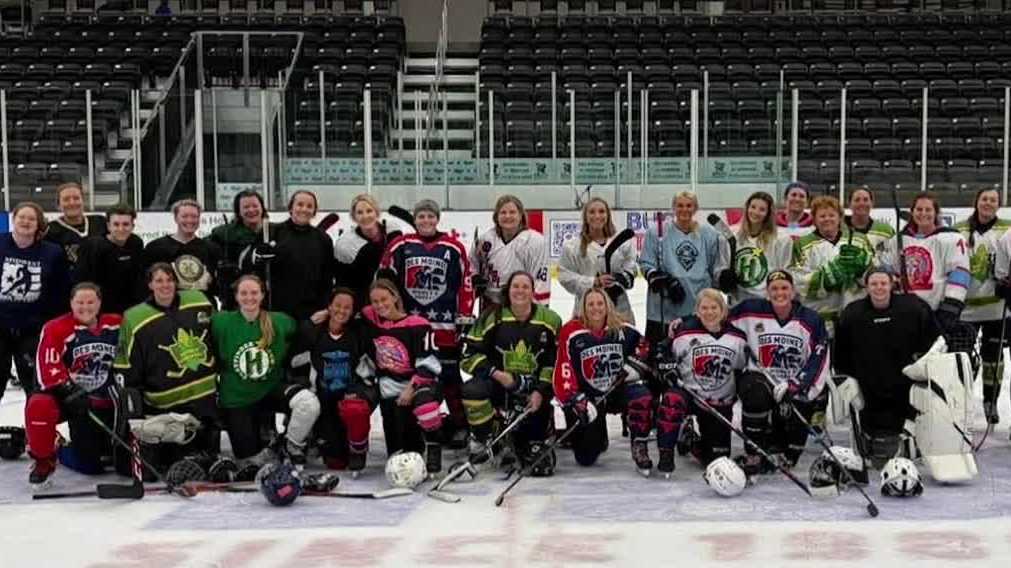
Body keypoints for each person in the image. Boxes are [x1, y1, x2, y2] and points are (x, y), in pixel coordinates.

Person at [379, 199, 474, 448]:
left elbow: (465, 283)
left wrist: (463, 317)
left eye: (430, 216)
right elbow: (385, 280)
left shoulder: (453, 247)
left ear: (437, 219)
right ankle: (419, 425)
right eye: (421, 216)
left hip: (444, 327)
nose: (426, 221)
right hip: (411, 328)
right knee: (417, 378)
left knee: (451, 377)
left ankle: (460, 423)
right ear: (415, 218)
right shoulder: (401, 245)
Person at [113, 263, 219, 474]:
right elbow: (125, 364)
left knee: (203, 460)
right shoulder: (135, 317)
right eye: (159, 280)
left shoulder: (199, 301)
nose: (165, 285)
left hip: (203, 401)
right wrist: (132, 405)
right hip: (164, 408)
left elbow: (218, 338)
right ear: (150, 284)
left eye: (169, 280)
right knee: (160, 465)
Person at [728, 270, 831, 474]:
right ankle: (754, 452)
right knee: (754, 392)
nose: (779, 293)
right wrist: (685, 323)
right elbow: (715, 317)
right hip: (762, 377)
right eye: (774, 288)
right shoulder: (750, 310)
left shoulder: (810, 319)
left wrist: (795, 385)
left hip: (794, 382)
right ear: (767, 292)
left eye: (784, 288)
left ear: (793, 291)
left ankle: (786, 449)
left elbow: (819, 357)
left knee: (790, 444)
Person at [210, 275, 318, 468]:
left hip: (271, 390)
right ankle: (266, 444)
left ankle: (289, 445)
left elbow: (304, 333)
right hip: (237, 398)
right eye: (243, 293)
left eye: (254, 293)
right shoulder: (221, 322)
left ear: (262, 295)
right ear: (236, 296)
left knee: (308, 404)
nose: (249, 298)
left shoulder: (280, 321)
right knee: (249, 462)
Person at [835, 267, 939, 466]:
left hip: (904, 384)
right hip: (868, 385)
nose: (879, 288)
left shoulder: (914, 308)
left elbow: (934, 343)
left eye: (883, 283)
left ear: (892, 284)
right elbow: (841, 354)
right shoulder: (852, 313)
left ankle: (910, 440)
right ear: (866, 286)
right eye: (874, 284)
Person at [460, 271, 562, 474]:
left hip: (532, 392)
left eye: (526, 286)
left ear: (534, 291)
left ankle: (539, 427)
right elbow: (467, 356)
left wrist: (540, 392)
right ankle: (483, 438)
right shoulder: (492, 316)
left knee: (532, 454)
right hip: (499, 385)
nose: (520, 291)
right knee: (472, 390)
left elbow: (554, 362)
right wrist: (497, 374)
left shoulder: (550, 320)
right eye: (516, 286)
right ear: (508, 290)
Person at [25, 283, 122, 488]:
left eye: (90, 302)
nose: (85, 307)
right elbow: (47, 367)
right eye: (79, 302)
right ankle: (47, 457)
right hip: (73, 401)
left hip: (109, 400)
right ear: (71, 303)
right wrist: (68, 389)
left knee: (107, 461)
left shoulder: (116, 324)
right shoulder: (56, 327)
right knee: (39, 405)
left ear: (99, 303)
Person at [554, 288, 654, 474]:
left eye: (600, 303)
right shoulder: (571, 331)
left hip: (616, 391)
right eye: (590, 304)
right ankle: (595, 435)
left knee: (642, 396)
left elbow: (644, 349)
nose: (596, 308)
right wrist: (577, 400)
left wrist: (634, 367)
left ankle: (639, 444)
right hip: (588, 397)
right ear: (583, 307)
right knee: (586, 457)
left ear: (607, 305)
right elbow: (563, 369)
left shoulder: (622, 329)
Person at [361, 279, 445, 474]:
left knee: (426, 407)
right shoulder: (373, 322)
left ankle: (434, 444)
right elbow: (353, 310)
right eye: (375, 301)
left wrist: (411, 388)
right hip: (390, 388)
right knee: (402, 452)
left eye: (384, 299)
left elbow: (429, 365)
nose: (380, 305)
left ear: (395, 297)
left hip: (420, 385)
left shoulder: (419, 324)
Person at [293, 287, 379, 472]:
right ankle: (313, 439)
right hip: (325, 399)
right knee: (336, 463)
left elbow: (371, 371)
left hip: (350, 396)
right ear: (329, 307)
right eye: (337, 305)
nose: (341, 310)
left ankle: (358, 448)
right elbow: (295, 363)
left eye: (347, 307)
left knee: (355, 408)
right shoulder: (313, 332)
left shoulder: (359, 333)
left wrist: (357, 390)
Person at [662, 289, 748, 472]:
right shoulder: (684, 333)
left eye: (714, 307)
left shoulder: (737, 338)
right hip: (691, 396)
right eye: (704, 308)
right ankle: (666, 451)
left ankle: (690, 439)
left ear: (723, 309)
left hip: (719, 403)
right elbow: (664, 355)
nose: (709, 312)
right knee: (672, 399)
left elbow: (742, 369)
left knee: (716, 459)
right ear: (697, 311)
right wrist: (666, 366)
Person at [0, 202, 70, 400]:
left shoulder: (52, 252)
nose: (26, 222)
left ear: (38, 224)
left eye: (31, 219)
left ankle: (35, 429)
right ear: (14, 220)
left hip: (32, 331)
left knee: (36, 387)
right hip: (1, 327)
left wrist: (50, 326)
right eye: (22, 217)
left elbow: (60, 292)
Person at [954, 189, 1011, 424]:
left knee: (993, 359)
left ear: (999, 205)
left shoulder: (1006, 229)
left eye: (993, 200)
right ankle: (961, 403)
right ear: (976, 202)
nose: (988, 203)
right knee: (963, 358)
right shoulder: (959, 229)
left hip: (997, 308)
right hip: (965, 309)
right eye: (984, 199)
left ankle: (991, 401)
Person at [639, 191, 721, 351]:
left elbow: (714, 269)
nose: (684, 209)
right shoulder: (656, 232)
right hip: (663, 311)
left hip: (697, 310)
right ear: (673, 208)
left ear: (695, 208)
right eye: (680, 205)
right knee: (659, 360)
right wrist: (661, 279)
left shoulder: (708, 234)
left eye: (689, 205)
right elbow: (646, 264)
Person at [887, 193, 971, 346]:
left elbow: (960, 272)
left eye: (928, 209)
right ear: (912, 212)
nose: (923, 213)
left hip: (938, 312)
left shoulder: (951, 238)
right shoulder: (897, 241)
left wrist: (951, 306)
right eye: (919, 209)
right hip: (905, 313)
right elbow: (888, 272)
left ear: (936, 213)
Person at [241, 190, 335, 321]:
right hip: (277, 311)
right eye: (300, 204)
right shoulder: (273, 232)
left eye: (309, 206)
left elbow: (327, 279)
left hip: (311, 313)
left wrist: (325, 308)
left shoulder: (323, 239)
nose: (304, 209)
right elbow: (249, 266)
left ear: (314, 211)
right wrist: (258, 255)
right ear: (291, 208)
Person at [789, 196, 874, 324]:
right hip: (819, 316)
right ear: (815, 220)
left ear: (840, 217)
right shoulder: (802, 244)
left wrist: (863, 270)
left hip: (855, 315)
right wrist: (826, 278)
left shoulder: (859, 240)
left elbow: (875, 274)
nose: (827, 219)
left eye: (831, 215)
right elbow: (797, 280)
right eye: (822, 216)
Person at [558, 197, 638, 323]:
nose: (597, 216)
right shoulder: (572, 247)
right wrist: (593, 282)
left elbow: (631, 267)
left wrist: (622, 277)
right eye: (592, 212)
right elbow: (564, 276)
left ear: (608, 215)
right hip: (587, 308)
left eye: (601, 211)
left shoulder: (622, 243)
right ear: (585, 216)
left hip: (619, 307)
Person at [471, 194, 550, 308]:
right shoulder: (485, 240)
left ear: (521, 215)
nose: (507, 216)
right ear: (496, 216)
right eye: (503, 212)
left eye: (512, 212)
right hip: (490, 304)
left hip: (521, 304)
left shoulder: (535, 241)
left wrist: (537, 310)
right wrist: (475, 277)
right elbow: (471, 265)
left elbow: (540, 280)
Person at [720, 191, 792, 302]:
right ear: (747, 208)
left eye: (762, 209)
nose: (756, 212)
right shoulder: (731, 235)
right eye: (753, 207)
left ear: (768, 213)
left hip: (766, 301)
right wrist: (723, 275)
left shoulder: (780, 239)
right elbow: (721, 265)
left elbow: (785, 271)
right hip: (738, 301)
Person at [143, 199, 221, 301]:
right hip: (169, 308)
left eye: (194, 217)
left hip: (202, 306)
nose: (189, 220)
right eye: (184, 216)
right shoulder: (155, 247)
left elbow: (218, 287)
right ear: (176, 218)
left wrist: (211, 281)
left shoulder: (211, 249)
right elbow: (146, 283)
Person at [75, 205, 146, 315]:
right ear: (108, 226)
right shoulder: (93, 247)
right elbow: (83, 282)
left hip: (130, 309)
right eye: (116, 224)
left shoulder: (136, 243)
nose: (121, 229)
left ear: (133, 226)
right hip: (102, 310)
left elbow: (139, 279)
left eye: (126, 224)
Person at [335, 194, 402, 310]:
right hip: (366, 301)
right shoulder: (347, 244)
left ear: (376, 212)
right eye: (359, 213)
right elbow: (344, 282)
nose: (365, 216)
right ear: (354, 217)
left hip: (394, 298)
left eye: (369, 211)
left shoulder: (392, 231)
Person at [209, 189, 269, 310]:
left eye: (255, 206)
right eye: (246, 207)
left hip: (266, 300)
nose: (251, 210)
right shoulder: (223, 234)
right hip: (234, 300)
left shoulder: (274, 232)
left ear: (262, 208)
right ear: (238, 211)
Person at [43, 182, 107, 271]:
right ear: (58, 205)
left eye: (76, 198)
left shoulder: (100, 222)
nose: (72, 203)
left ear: (83, 201)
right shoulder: (51, 230)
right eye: (66, 199)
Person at [844, 186, 895, 262]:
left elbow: (893, 257)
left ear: (872, 203)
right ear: (849, 204)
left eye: (865, 200)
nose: (861, 203)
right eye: (857, 200)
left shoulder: (886, 231)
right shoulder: (839, 228)